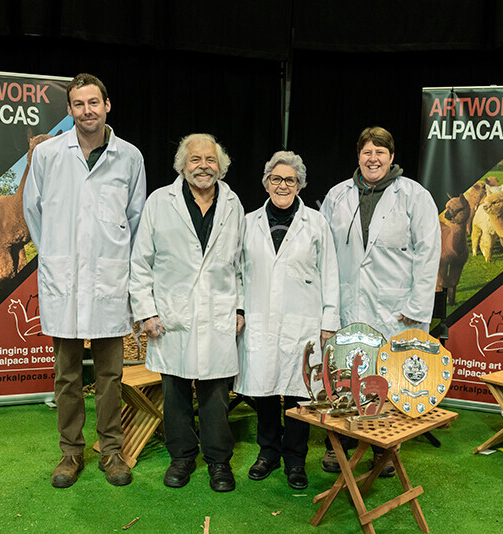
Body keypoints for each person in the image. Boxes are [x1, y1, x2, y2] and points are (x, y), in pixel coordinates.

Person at [23, 73, 146, 488]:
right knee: (67, 375)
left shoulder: (129, 157)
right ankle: (70, 453)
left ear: (107, 105)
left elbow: (137, 219)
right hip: (65, 279)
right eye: (79, 104)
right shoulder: (49, 155)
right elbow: (33, 211)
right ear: (70, 109)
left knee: (111, 374)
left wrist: (121, 269)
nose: (87, 111)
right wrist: (56, 256)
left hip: (110, 279)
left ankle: (111, 451)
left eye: (94, 103)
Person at [319, 126, 441, 474]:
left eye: (380, 152)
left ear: (391, 157)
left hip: (394, 308)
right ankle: (338, 443)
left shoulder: (414, 196)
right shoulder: (337, 196)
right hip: (347, 301)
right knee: (343, 372)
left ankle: (381, 449)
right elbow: (326, 251)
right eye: (367, 152)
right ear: (358, 156)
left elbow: (428, 253)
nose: (373, 159)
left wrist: (416, 309)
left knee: (383, 378)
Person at [129, 133, 245, 492]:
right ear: (182, 164)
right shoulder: (159, 202)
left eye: (210, 160)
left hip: (218, 313)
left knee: (215, 393)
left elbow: (240, 264)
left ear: (220, 166)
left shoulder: (233, 203)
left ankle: (218, 462)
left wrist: (240, 307)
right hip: (171, 314)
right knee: (175, 389)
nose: (203, 166)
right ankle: (181, 457)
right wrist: (146, 312)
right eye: (195, 160)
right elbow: (141, 262)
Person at [234, 151, 340, 490]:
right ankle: (268, 452)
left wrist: (329, 321)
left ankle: (295, 458)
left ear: (300, 184)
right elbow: (236, 273)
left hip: (303, 321)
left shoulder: (316, 223)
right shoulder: (248, 223)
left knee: (300, 392)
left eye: (290, 180)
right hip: (260, 319)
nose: (283, 185)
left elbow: (331, 273)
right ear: (266, 183)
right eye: (277, 179)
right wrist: (238, 309)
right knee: (264, 390)